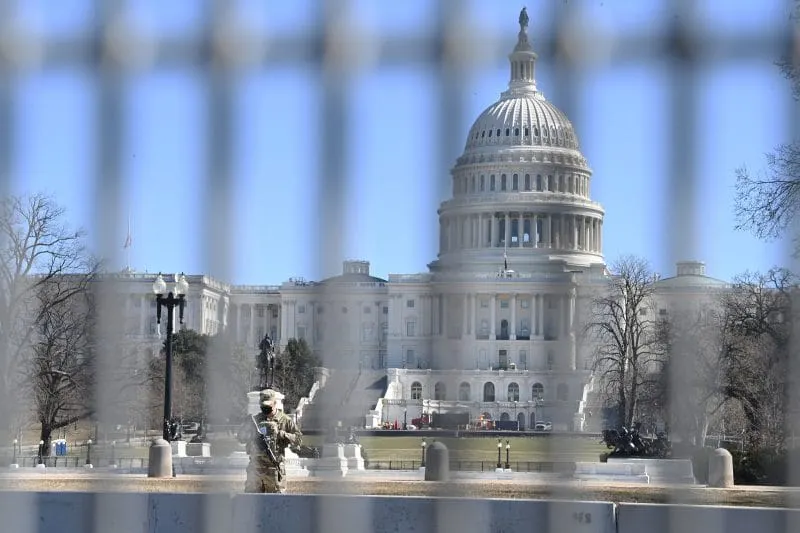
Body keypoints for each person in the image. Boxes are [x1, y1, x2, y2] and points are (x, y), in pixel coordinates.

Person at [238, 388, 302, 493]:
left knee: (276, 504)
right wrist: (249, 434)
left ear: (275, 403)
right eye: (263, 406)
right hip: (256, 470)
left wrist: (283, 434)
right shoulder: (255, 420)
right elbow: (241, 438)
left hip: (274, 470)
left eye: (268, 406)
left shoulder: (285, 420)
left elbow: (298, 439)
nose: (265, 409)